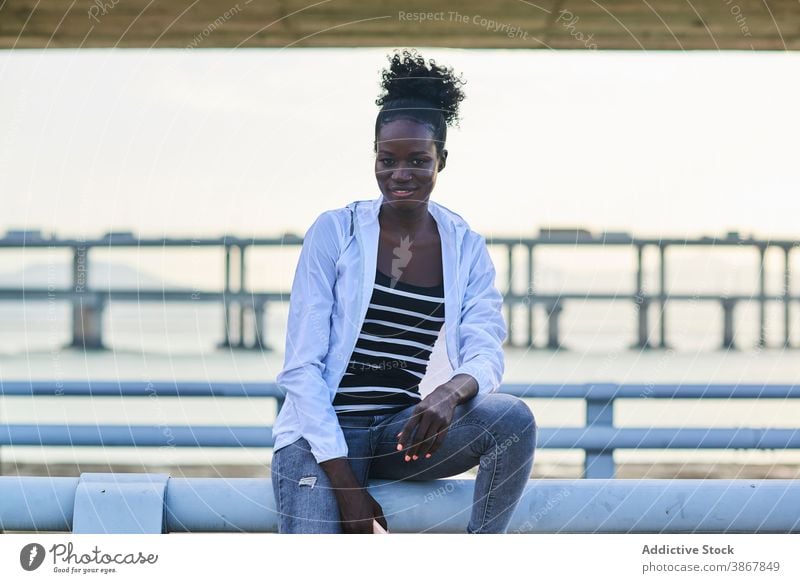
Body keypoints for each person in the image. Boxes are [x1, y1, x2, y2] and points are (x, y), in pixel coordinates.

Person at [270, 48, 537, 534]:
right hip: (318, 440)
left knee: (513, 421)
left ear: (442, 160)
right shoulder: (336, 232)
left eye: (418, 160)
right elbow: (301, 367)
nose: (400, 174)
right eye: (387, 159)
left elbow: (486, 351)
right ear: (373, 154)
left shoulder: (465, 246)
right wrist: (348, 490)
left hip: (401, 432)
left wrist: (448, 394)